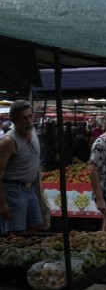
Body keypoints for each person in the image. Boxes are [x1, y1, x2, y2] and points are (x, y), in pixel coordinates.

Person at [0, 100, 43, 233]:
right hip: (13, 190)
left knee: (34, 227)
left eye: (30, 116)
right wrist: (2, 204)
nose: (29, 121)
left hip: (31, 189)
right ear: (13, 120)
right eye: (23, 118)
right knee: (16, 233)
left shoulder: (32, 131)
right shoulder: (8, 142)